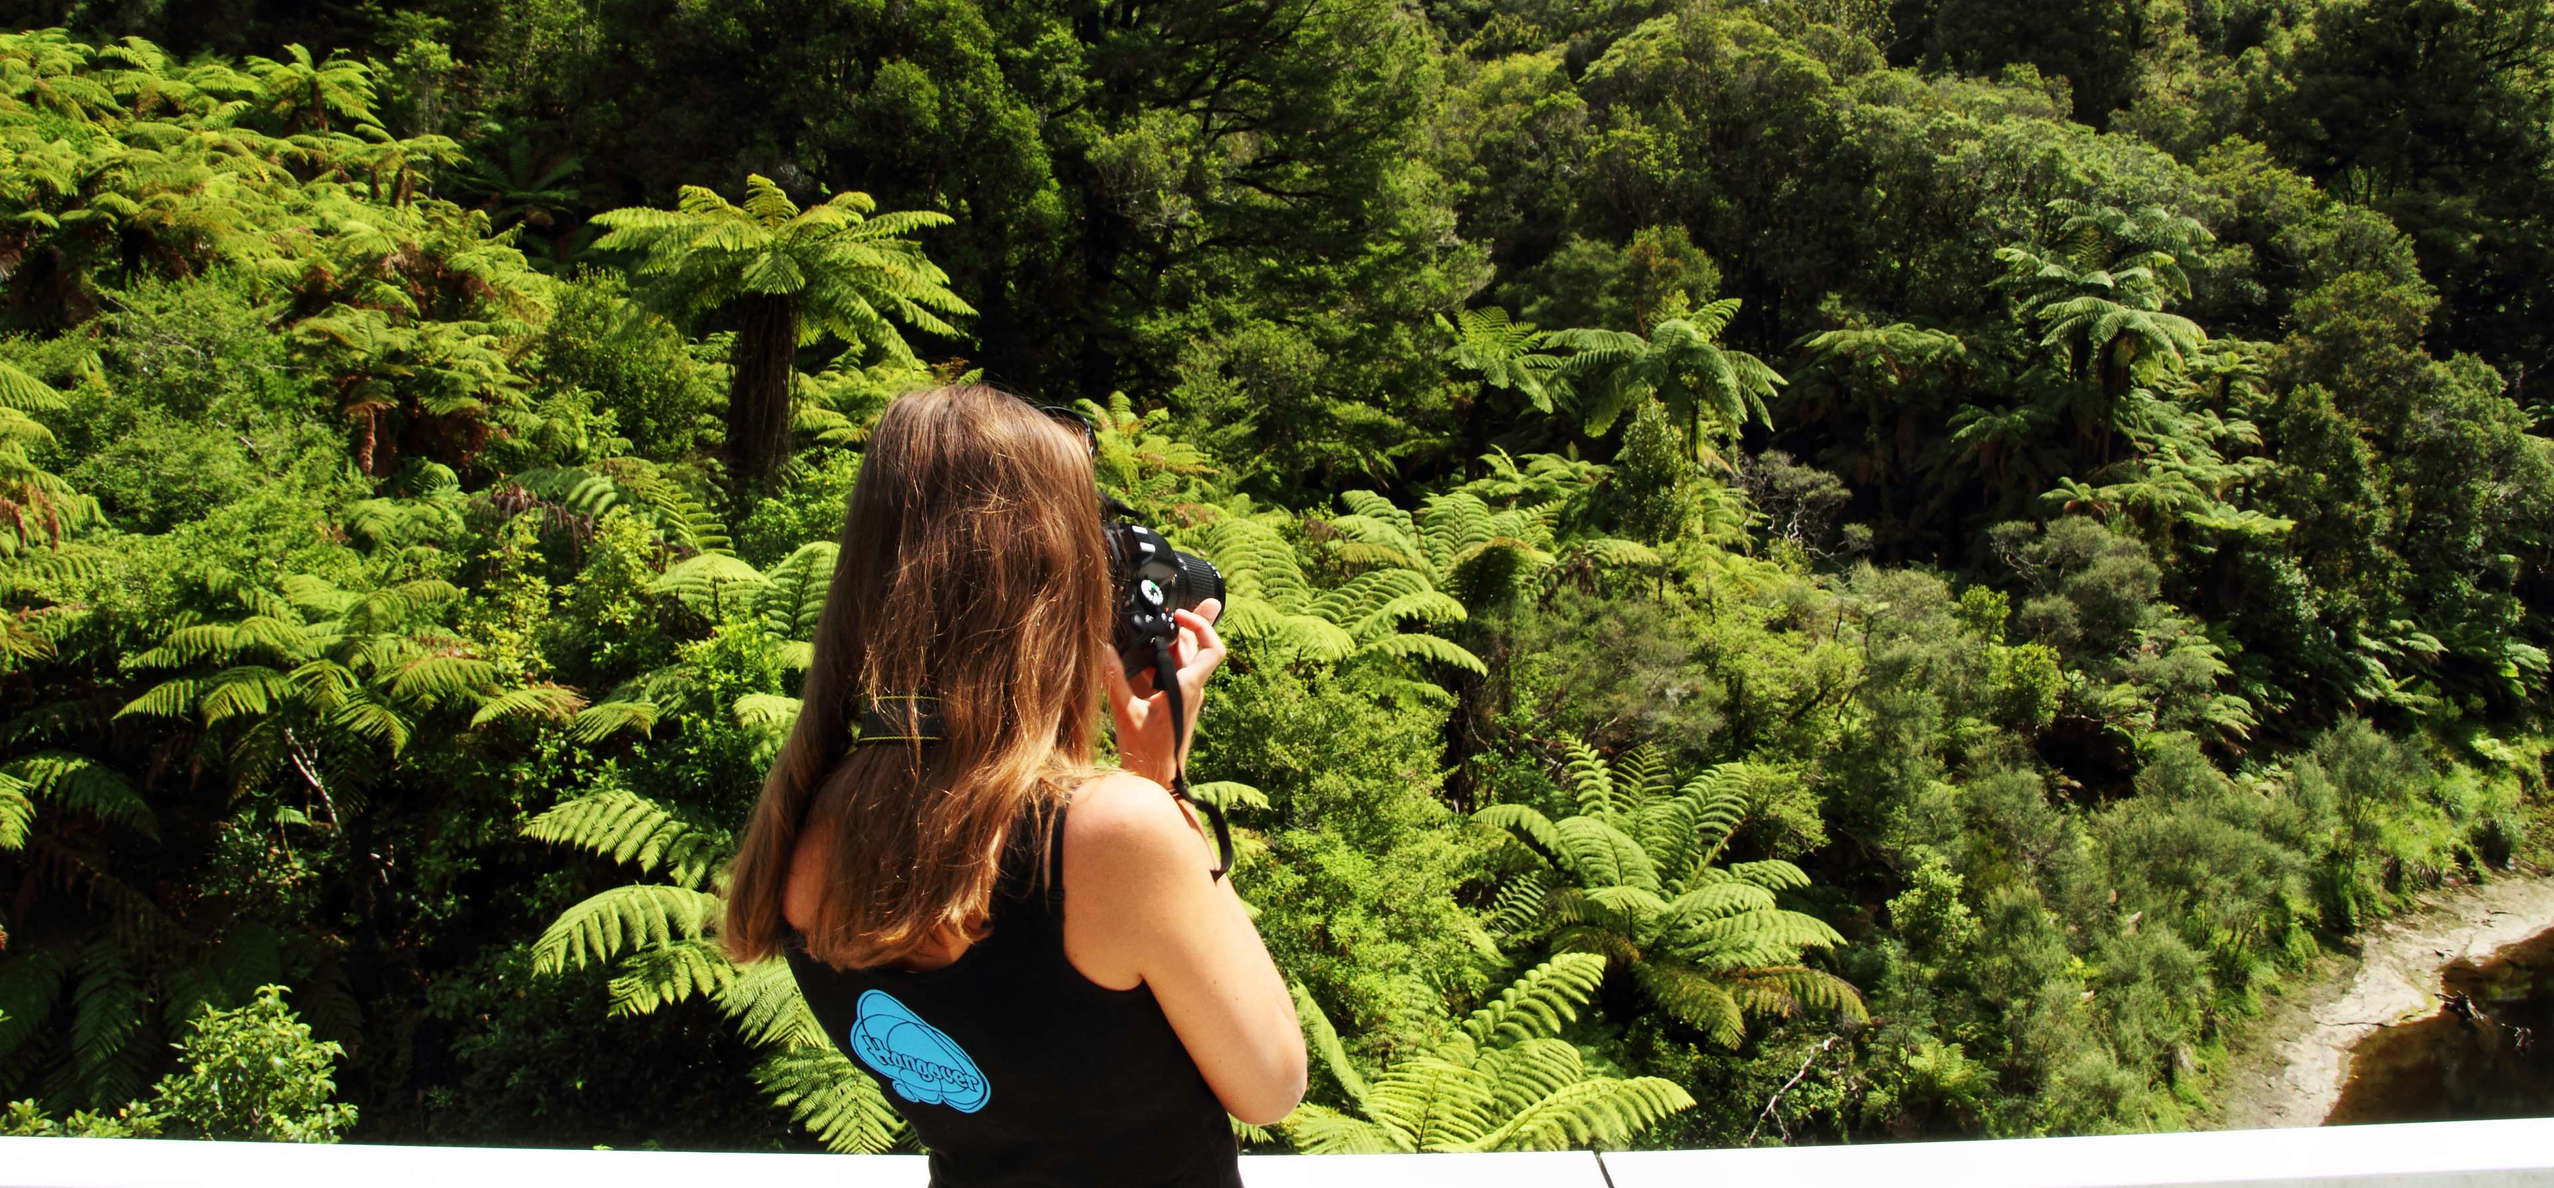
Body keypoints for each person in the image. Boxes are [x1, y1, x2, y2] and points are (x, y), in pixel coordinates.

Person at [720, 383, 1305, 1187]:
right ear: (1054, 580)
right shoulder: (1110, 834)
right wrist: (1162, 786)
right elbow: (1272, 1085)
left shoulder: (798, 833)